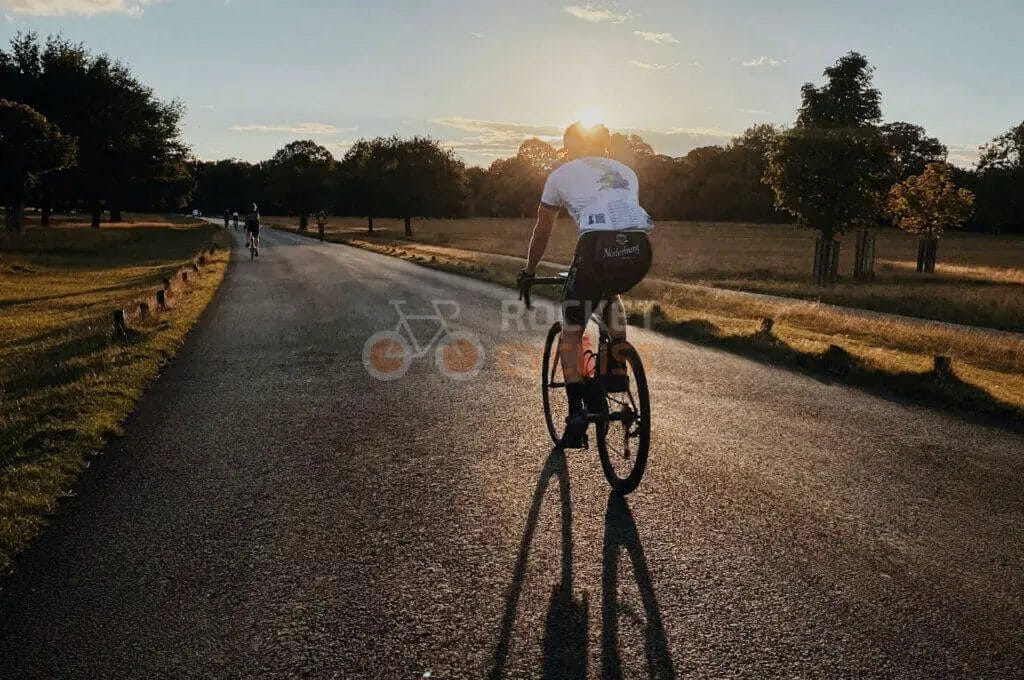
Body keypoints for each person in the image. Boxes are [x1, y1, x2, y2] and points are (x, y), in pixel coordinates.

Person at [518, 122, 653, 449]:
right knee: (611, 295)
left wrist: (529, 270)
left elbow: (543, 229)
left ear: (568, 147)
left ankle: (577, 411)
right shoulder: (626, 171)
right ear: (605, 146)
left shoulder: (560, 175)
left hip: (595, 248)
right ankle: (616, 372)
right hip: (639, 248)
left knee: (572, 328)